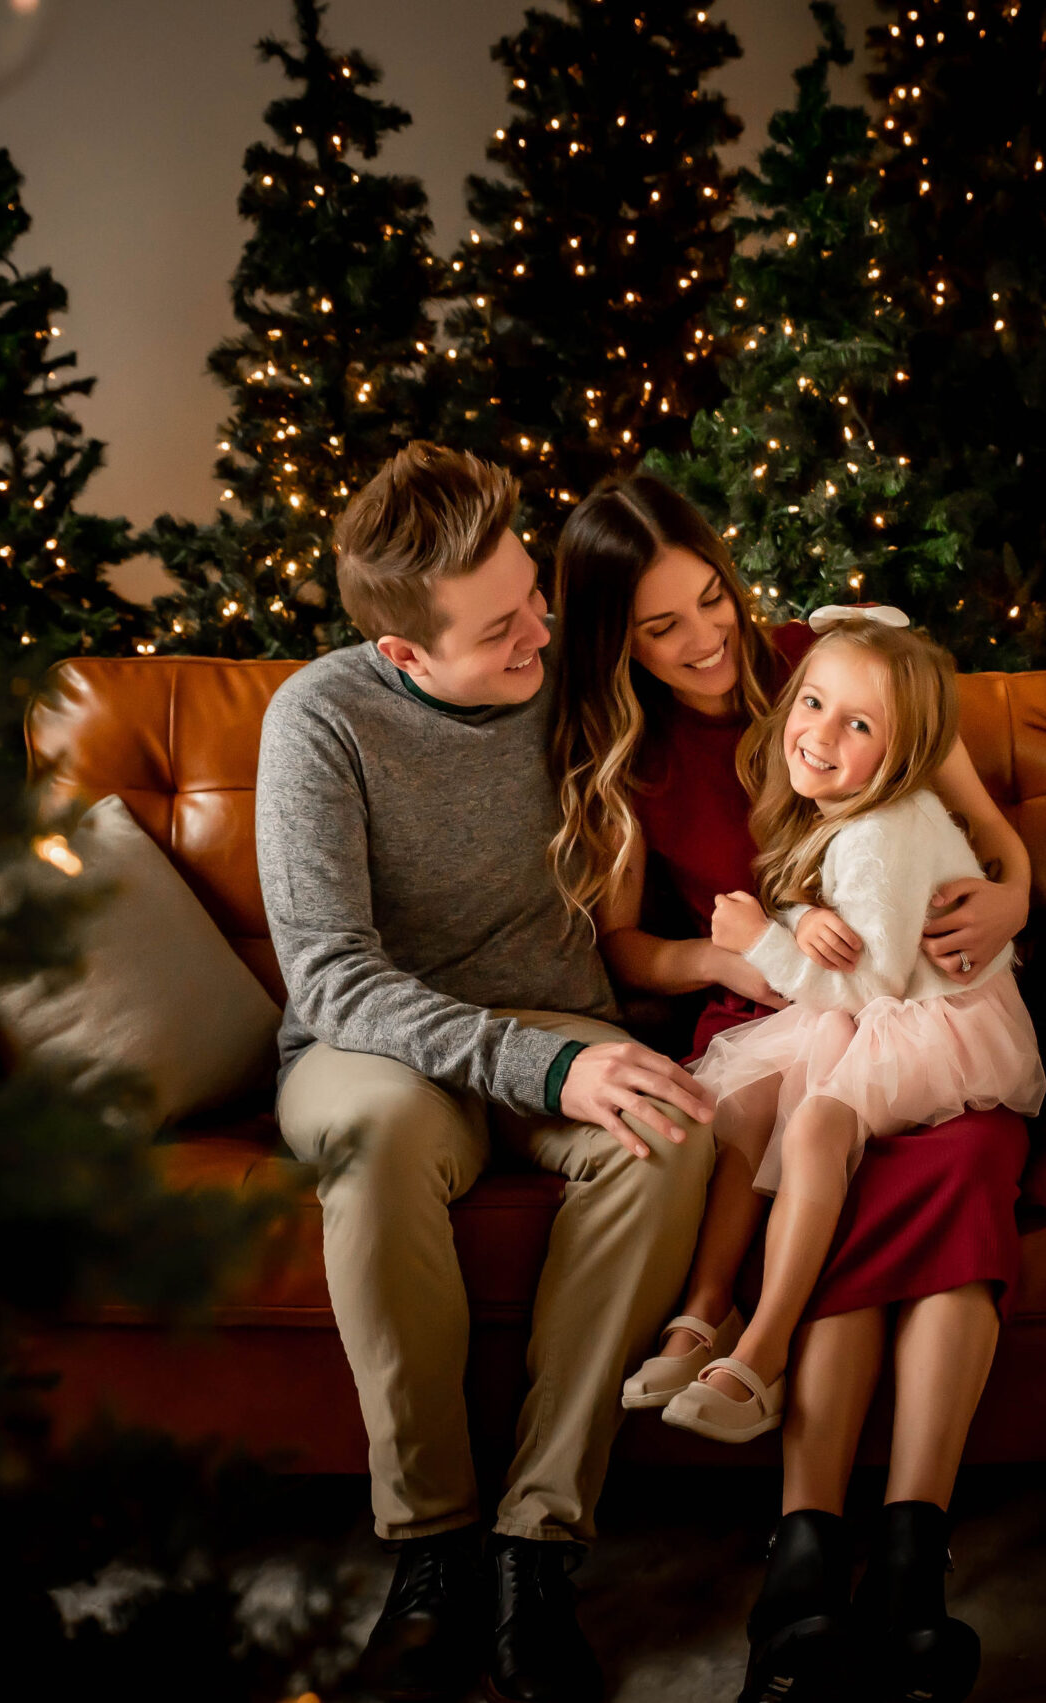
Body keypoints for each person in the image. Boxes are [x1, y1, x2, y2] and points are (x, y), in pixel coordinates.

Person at [547, 476, 1036, 1703]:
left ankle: (911, 1565)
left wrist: (1016, 893)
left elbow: (982, 823)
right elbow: (627, 950)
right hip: (773, 1025)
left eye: (711, 598)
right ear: (614, 638)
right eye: (662, 628)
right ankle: (806, 1564)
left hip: (920, 1021)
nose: (707, 640)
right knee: (804, 1154)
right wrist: (732, 952)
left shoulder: (827, 662)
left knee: (962, 1164)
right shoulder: (625, 757)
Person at [257, 444, 718, 1703]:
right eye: (503, 626)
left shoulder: (573, 675)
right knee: (381, 1137)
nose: (542, 630)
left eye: (536, 594)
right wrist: (544, 1063)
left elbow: (746, 658)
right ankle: (430, 1554)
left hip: (556, 1020)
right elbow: (333, 975)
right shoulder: (324, 718)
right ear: (407, 653)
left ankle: (535, 1548)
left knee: (672, 1127)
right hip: (372, 1044)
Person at [660, 608, 1046, 1449]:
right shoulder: (847, 811)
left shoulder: (882, 830)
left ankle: (760, 1349)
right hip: (877, 1003)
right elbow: (848, 916)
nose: (819, 733)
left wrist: (760, 937)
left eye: (857, 724)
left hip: (933, 1021)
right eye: (812, 704)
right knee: (753, 1100)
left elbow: (868, 985)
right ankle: (704, 1311)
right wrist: (797, 922)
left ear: (901, 753)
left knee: (817, 1126)